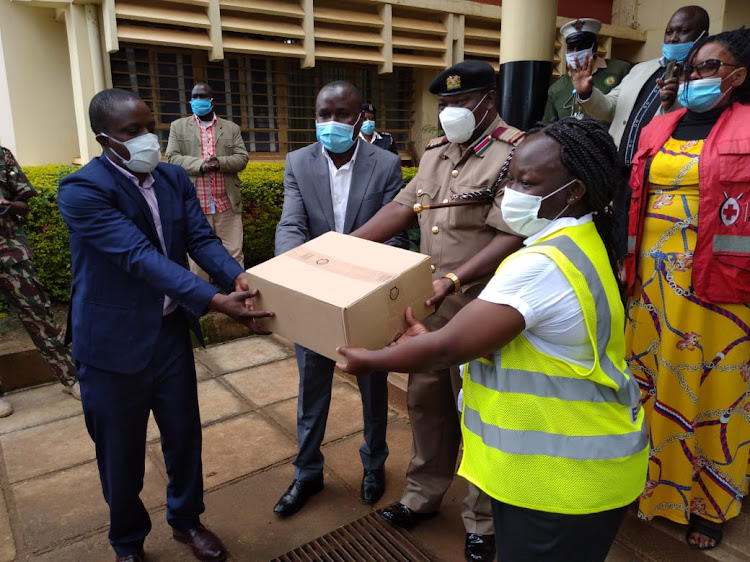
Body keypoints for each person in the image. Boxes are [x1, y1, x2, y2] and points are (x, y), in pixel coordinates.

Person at [338, 117, 648, 562]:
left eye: (528, 181)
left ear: (575, 191)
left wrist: (370, 359)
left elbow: (447, 348)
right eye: (512, 179)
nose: (512, 194)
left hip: (562, 482)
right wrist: (430, 337)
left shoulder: (540, 265)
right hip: (575, 469)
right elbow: (501, 343)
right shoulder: (582, 239)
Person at [57, 88, 272, 562]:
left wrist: (235, 275)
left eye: (149, 126)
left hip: (168, 335)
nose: (146, 139)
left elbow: (199, 239)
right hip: (111, 345)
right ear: (104, 139)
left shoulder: (173, 178)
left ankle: (186, 521)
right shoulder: (82, 190)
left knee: (183, 436)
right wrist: (215, 300)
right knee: (120, 452)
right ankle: (127, 542)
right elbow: (137, 257)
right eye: (131, 132)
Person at [352, 60, 525, 562]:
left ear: (488, 100)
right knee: (426, 403)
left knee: (479, 413)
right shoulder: (435, 153)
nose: (448, 113)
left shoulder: (514, 152)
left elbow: (510, 232)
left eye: (458, 103)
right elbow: (405, 206)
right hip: (424, 306)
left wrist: (453, 279)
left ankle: (482, 520)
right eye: (443, 104)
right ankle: (422, 496)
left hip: (480, 305)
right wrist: (345, 245)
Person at [624, 28, 750, 551]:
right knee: (649, 385)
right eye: (693, 67)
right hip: (650, 285)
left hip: (719, 289)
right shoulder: (659, 126)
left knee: (713, 393)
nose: (695, 76)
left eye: (709, 68)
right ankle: (647, 487)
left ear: (738, 76)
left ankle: (709, 503)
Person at [272, 81, 408, 517]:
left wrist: (354, 278)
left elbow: (396, 234)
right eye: (323, 114)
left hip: (368, 299)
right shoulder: (298, 161)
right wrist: (293, 274)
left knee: (374, 389)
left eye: (343, 114)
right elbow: (291, 224)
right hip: (314, 295)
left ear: (361, 116)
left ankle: (374, 465)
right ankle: (307, 472)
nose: (331, 123)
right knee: (311, 390)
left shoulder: (385, 164)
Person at [571, 5, 710, 257]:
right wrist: (586, 92)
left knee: (641, 247)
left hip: (655, 180)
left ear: (702, 36)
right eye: (669, 32)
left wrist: (673, 103)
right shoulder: (640, 70)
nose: (674, 38)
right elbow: (609, 109)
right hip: (617, 173)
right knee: (608, 240)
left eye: (683, 32)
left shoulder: (702, 79)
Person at [0, 146, 80, 418]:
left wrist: (9, 206)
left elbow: (25, 205)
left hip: (11, 254)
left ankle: (72, 379)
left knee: (40, 316)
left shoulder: (2, 155)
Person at [166, 82, 248, 280]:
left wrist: (219, 163)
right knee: (198, 258)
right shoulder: (178, 127)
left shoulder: (230, 128)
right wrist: (200, 165)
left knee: (234, 253)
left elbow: (242, 157)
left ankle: (240, 296)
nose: (198, 101)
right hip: (196, 205)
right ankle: (203, 301)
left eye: (202, 97)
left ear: (212, 100)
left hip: (226, 204)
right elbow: (172, 157)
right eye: (194, 97)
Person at [543, 18, 631, 123]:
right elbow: (548, 128)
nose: (576, 52)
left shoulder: (620, 69)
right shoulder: (557, 88)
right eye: (571, 48)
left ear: (595, 47)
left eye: (581, 46)